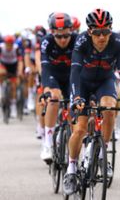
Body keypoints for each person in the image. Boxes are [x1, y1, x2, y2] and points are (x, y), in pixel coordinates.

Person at [63, 8, 120, 195]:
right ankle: (71, 169)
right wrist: (77, 96)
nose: (102, 37)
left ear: (111, 30)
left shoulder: (118, 42)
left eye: (106, 32)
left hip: (105, 81)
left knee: (110, 108)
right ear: (89, 32)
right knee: (80, 129)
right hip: (83, 84)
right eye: (97, 32)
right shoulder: (81, 41)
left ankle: (103, 155)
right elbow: (75, 72)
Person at [40, 12, 77, 163]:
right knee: (54, 99)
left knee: (74, 104)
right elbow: (45, 67)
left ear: (71, 32)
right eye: (59, 36)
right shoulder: (46, 42)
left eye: (66, 36)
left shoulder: (77, 40)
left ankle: (72, 145)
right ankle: (48, 143)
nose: (62, 40)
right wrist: (47, 90)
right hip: (53, 75)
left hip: (70, 76)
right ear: (52, 33)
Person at [0, 35, 24, 118]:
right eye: (7, 44)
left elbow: (20, 61)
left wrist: (20, 71)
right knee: (1, 74)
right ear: (5, 43)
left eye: (10, 44)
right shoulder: (1, 47)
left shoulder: (16, 48)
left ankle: (13, 107)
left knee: (14, 86)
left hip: (13, 65)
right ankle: (2, 91)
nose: (9, 46)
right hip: (3, 64)